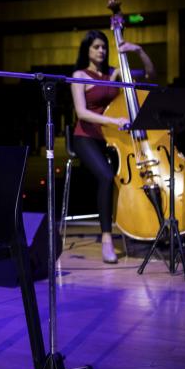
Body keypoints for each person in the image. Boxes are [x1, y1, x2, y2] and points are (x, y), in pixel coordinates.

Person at [70, 30, 156, 264]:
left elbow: (150, 75)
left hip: (113, 139)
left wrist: (139, 51)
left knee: (132, 177)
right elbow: (82, 113)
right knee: (107, 177)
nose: (101, 51)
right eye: (96, 47)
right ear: (87, 50)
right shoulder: (79, 75)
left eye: (104, 47)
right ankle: (107, 239)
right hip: (86, 137)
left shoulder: (114, 73)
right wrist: (113, 121)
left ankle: (143, 225)